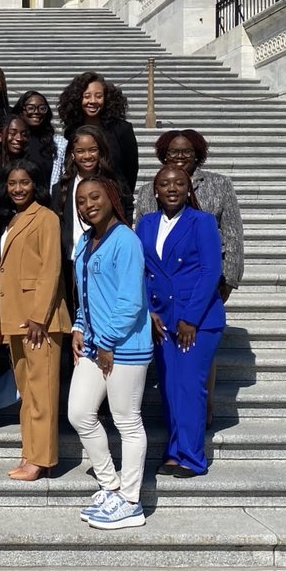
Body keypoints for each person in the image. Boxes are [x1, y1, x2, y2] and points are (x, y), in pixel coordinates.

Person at [135, 128, 244, 426]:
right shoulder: (149, 190)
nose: (180, 157)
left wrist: (229, 279)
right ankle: (179, 414)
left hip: (206, 279)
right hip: (165, 285)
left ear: (198, 154)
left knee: (198, 355)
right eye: (173, 152)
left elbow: (233, 234)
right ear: (163, 155)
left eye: (186, 152)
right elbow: (142, 238)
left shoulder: (219, 185)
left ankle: (203, 406)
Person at [68, 175, 152, 530]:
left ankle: (131, 501)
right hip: (93, 344)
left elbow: (130, 301)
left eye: (95, 197)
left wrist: (107, 342)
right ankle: (110, 484)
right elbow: (86, 293)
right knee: (79, 413)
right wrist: (79, 326)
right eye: (82, 201)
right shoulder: (86, 242)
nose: (89, 205)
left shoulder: (125, 241)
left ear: (112, 197)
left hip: (124, 347)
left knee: (127, 421)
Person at [137, 164, 225, 478]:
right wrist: (148, 311)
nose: (171, 188)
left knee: (189, 386)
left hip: (196, 321)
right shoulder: (145, 224)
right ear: (155, 190)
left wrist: (189, 317)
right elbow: (141, 271)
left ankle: (192, 456)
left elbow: (210, 271)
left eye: (178, 183)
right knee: (171, 388)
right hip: (161, 319)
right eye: (164, 183)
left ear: (189, 188)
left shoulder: (201, 221)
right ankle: (174, 452)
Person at [0, 160, 69, 482]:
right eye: (12, 183)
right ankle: (30, 450)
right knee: (28, 393)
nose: (18, 188)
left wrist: (39, 316)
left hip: (40, 321)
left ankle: (42, 458)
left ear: (34, 185)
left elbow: (51, 270)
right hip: (15, 319)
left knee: (43, 392)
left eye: (24, 182)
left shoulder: (46, 218)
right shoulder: (13, 219)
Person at [51, 125, 131, 314]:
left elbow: (126, 211)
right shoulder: (61, 188)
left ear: (101, 151)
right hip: (72, 262)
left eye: (92, 150)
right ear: (72, 154)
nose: (87, 156)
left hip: (106, 261)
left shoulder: (114, 182)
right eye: (80, 151)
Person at [56, 71, 139, 199]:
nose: (93, 101)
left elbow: (130, 170)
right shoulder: (72, 130)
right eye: (87, 96)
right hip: (81, 198)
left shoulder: (122, 129)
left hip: (115, 199)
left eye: (98, 96)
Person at [12, 90, 68, 188]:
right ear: (21, 111)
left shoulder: (58, 144)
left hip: (47, 201)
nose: (36, 112)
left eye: (42, 108)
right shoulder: (13, 141)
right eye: (30, 108)